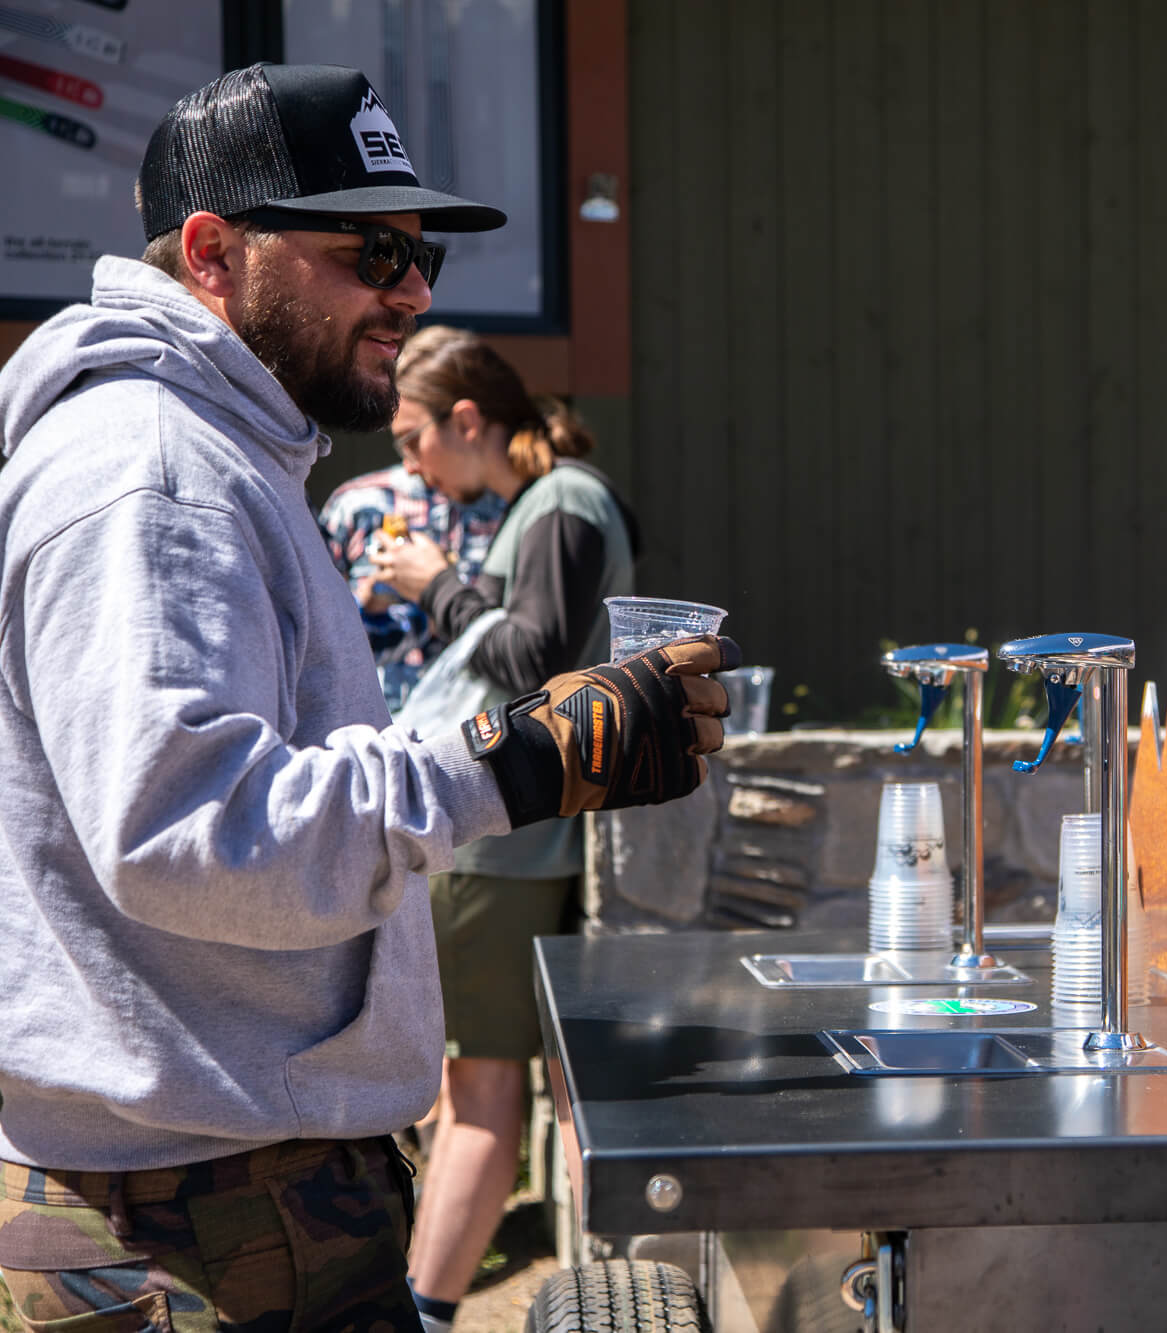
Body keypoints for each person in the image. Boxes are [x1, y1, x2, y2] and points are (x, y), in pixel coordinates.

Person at [0, 64, 732, 1328]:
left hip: (216, 1189)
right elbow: (190, 831)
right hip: (188, 1222)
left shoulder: (218, 449)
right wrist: (519, 761)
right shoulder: (158, 467)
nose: (416, 287)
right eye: (374, 249)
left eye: (423, 250)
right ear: (214, 254)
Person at [366, 326, 638, 1332]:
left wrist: (435, 582)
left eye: (411, 439)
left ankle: (425, 1311)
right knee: (478, 1082)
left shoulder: (563, 501)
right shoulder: (544, 505)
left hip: (506, 842)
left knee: (481, 1088)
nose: (410, 465)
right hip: (509, 839)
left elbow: (538, 665)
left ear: (466, 421)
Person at [319, 457, 506, 712]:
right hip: (376, 725)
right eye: (403, 443)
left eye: (415, 439)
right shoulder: (361, 501)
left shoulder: (508, 503)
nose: (410, 464)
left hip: (476, 722)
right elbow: (319, 643)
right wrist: (368, 607)